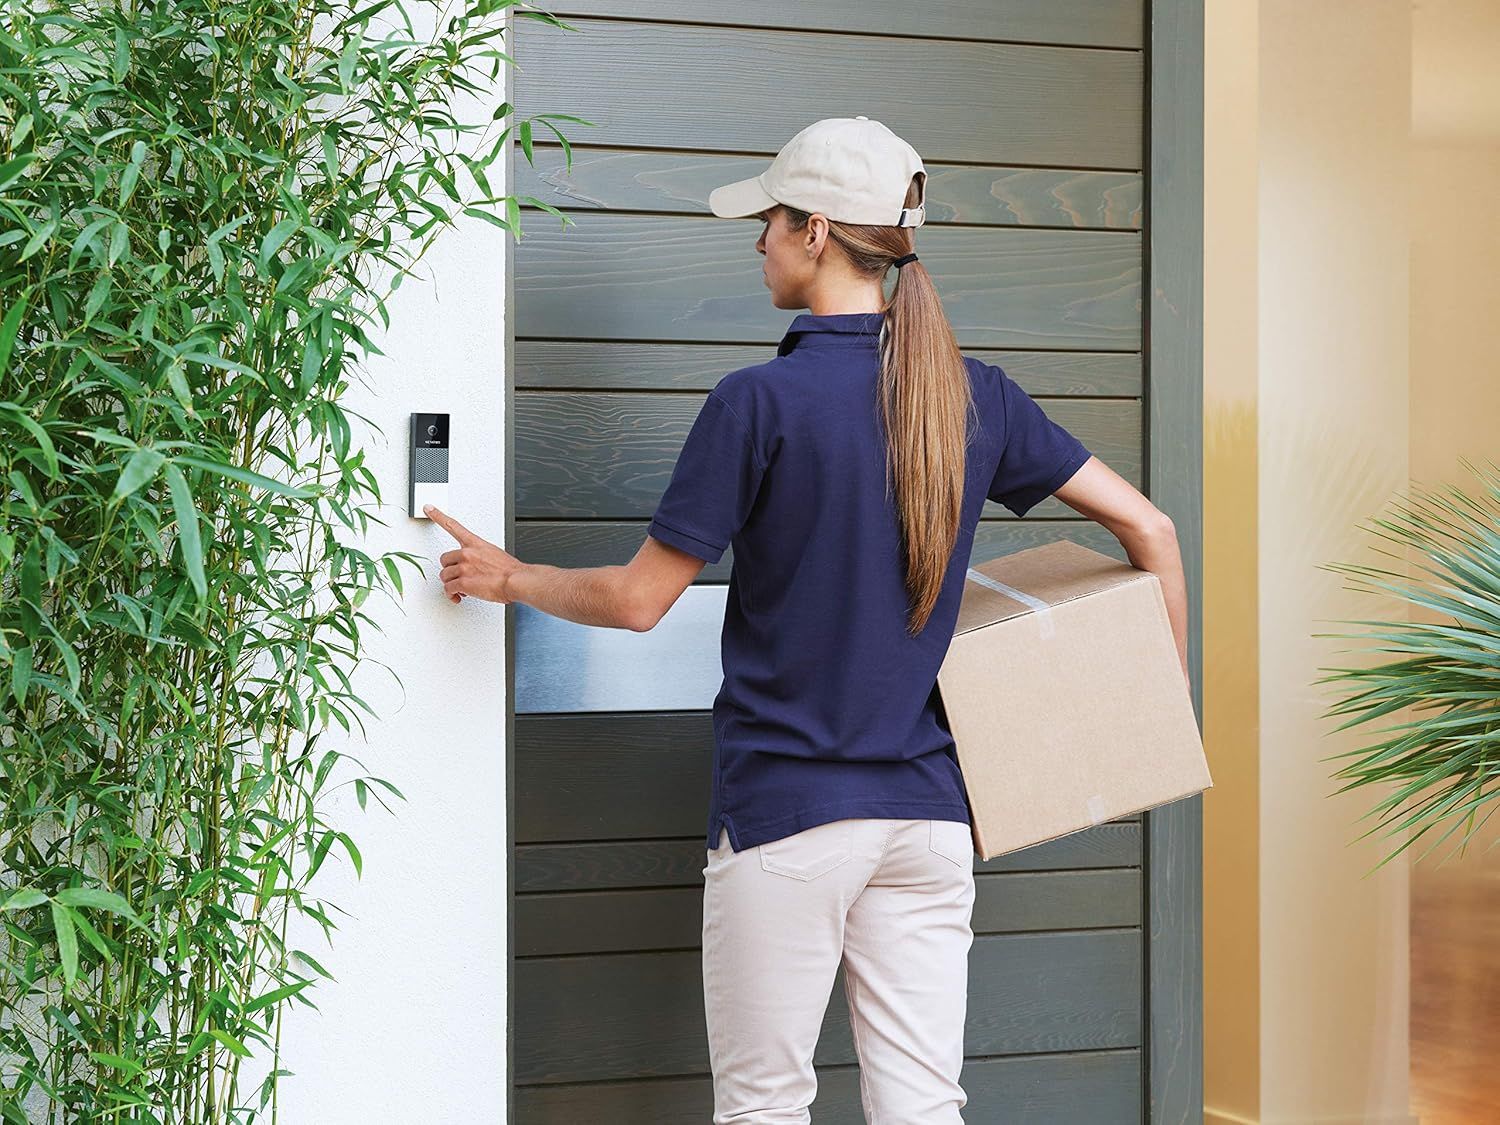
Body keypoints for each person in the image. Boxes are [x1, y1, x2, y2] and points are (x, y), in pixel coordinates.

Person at [426, 116, 1189, 1124]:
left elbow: (639, 600)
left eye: (770, 222)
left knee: (765, 1107)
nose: (759, 242)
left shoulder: (760, 403)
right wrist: (1148, 711)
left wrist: (511, 576)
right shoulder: (977, 396)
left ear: (817, 230)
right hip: (928, 820)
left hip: (791, 815)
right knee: (923, 1106)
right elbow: (1152, 528)